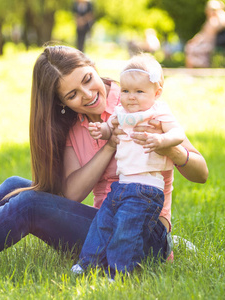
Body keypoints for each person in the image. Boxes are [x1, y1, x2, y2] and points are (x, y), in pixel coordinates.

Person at [0, 46, 208, 274]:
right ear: (62, 103)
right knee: (17, 187)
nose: (88, 95)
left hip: (141, 235)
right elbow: (70, 196)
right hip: (103, 225)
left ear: (93, 67)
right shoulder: (73, 127)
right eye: (72, 95)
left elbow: (201, 171)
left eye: (87, 79)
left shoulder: (136, 99)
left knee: (30, 205)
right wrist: (109, 146)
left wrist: (172, 151)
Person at [71, 53, 186, 278]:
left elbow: (178, 133)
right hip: (122, 184)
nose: (131, 97)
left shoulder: (157, 112)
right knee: (102, 223)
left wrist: (162, 141)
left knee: (126, 229)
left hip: (146, 187)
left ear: (157, 93)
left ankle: (119, 272)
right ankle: (88, 263)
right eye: (125, 91)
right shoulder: (121, 112)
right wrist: (100, 131)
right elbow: (109, 129)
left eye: (139, 91)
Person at [185, 0, 225, 68]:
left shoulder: (220, 19)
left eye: (213, 10)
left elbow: (224, 21)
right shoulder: (210, 21)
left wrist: (219, 14)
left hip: (211, 44)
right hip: (205, 44)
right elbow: (202, 34)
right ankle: (192, 69)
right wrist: (194, 40)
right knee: (190, 47)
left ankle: (199, 67)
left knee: (191, 49)